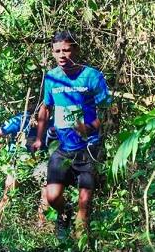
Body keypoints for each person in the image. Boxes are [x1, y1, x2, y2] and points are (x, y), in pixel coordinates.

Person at [32, 30, 111, 240]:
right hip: (63, 148)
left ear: (75, 49)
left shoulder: (92, 76)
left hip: (88, 149)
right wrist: (39, 138)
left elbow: (109, 111)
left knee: (84, 206)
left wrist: (90, 127)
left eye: (66, 50)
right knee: (52, 196)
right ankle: (64, 213)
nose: (62, 55)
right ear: (52, 52)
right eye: (57, 51)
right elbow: (46, 108)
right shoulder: (51, 77)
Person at [0, 110, 50, 225]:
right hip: (19, 161)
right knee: (9, 191)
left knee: (47, 191)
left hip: (41, 161)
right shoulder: (20, 120)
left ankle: (42, 226)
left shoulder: (51, 121)